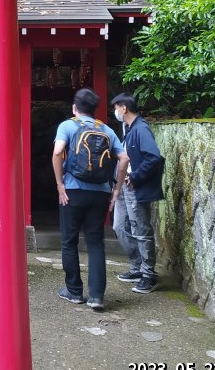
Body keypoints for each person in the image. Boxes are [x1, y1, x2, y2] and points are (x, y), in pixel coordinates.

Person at [52, 88, 128, 311]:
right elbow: (124, 158)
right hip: (101, 193)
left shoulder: (67, 126)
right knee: (95, 242)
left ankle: (74, 291)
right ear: (94, 109)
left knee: (69, 241)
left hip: (73, 191)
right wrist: (116, 190)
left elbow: (57, 152)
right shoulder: (105, 129)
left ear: (75, 107)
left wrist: (60, 184)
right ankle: (96, 297)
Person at [110, 92, 165, 294]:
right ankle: (137, 267)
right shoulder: (129, 128)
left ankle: (148, 274)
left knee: (141, 230)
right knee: (119, 226)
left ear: (124, 108)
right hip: (124, 185)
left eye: (116, 108)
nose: (115, 111)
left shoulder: (141, 128)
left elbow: (154, 157)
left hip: (135, 186)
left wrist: (136, 176)